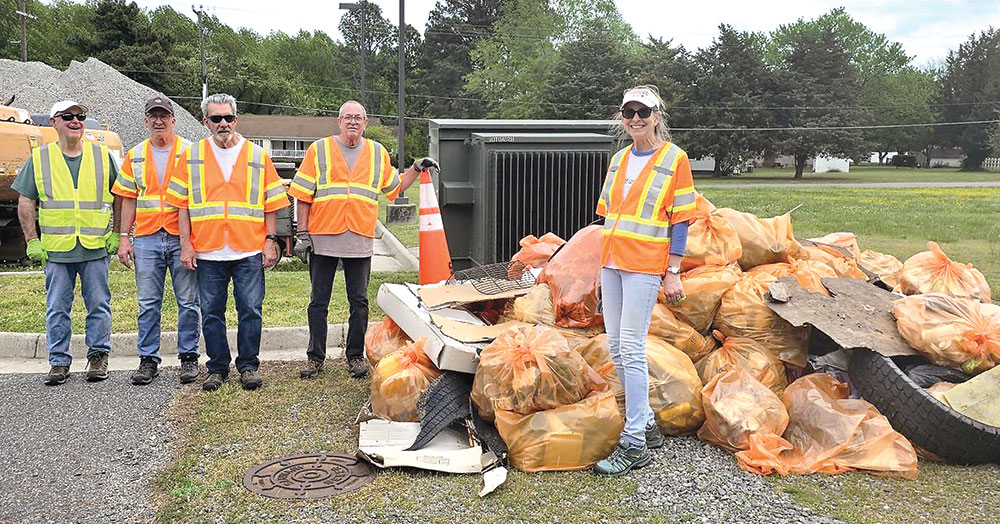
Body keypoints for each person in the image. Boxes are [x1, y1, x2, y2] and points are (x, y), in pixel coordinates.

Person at [287, 100, 434, 379]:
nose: (353, 122)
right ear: (339, 122)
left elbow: (395, 187)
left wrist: (415, 167)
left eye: (358, 118)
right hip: (323, 237)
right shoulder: (319, 150)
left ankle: (355, 356)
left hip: (359, 238)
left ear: (366, 123)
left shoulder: (377, 153)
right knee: (319, 301)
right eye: (347, 117)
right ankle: (315, 357)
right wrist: (302, 235)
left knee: (359, 301)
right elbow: (303, 196)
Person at [592, 86, 696, 476]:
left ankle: (634, 442)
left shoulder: (675, 159)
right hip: (613, 262)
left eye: (643, 112)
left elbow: (680, 219)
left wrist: (673, 271)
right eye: (628, 111)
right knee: (616, 346)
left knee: (631, 348)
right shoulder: (619, 160)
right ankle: (647, 424)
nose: (635, 118)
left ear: (657, 116)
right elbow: (609, 217)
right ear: (622, 117)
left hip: (644, 266)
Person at [165, 93, 289, 392]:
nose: (223, 124)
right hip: (208, 250)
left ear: (236, 119)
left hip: (248, 248)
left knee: (250, 310)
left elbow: (271, 204)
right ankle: (217, 368)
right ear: (205, 121)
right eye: (216, 118)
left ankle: (248, 366)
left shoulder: (257, 156)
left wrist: (270, 241)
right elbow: (182, 206)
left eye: (228, 118)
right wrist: (185, 244)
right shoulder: (192, 156)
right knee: (211, 313)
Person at [14, 100, 122, 385]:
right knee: (57, 308)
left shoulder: (102, 156)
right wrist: (31, 240)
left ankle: (98, 355)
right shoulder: (39, 158)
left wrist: (118, 233)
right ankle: (59, 362)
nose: (76, 121)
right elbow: (26, 201)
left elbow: (121, 196)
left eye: (80, 116)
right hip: (57, 250)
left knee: (98, 304)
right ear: (54, 122)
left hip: (94, 246)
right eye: (68, 116)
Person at [113, 96, 200, 386]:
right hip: (148, 237)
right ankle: (148, 359)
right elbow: (127, 199)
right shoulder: (135, 155)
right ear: (146, 120)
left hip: (181, 237)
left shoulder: (191, 151)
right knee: (148, 302)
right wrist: (124, 238)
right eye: (154, 116)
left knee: (188, 301)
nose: (159, 121)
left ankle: (189, 357)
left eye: (164, 116)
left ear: (174, 120)